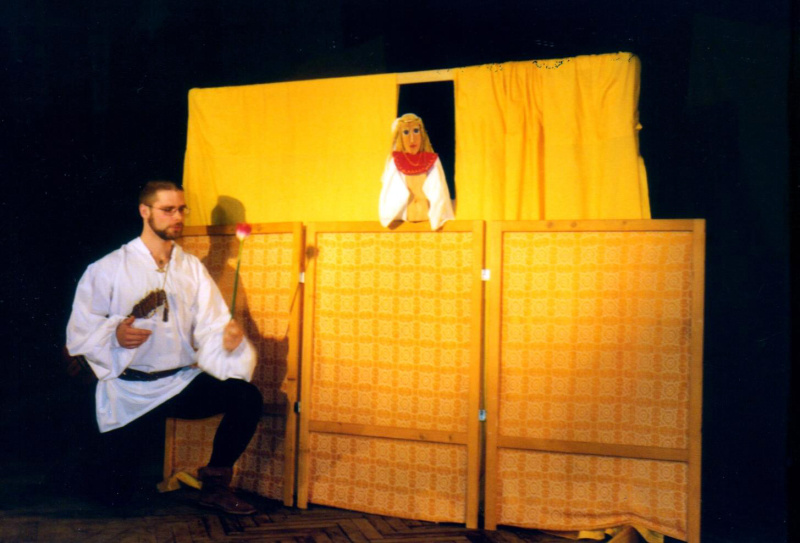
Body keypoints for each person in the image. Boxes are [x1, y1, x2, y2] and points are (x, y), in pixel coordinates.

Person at [66, 180, 262, 514]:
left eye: (182, 209)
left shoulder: (191, 268)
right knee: (112, 500)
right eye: (168, 210)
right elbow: (80, 329)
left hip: (178, 383)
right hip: (129, 391)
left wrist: (226, 339)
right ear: (145, 211)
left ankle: (215, 485)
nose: (178, 217)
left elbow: (212, 322)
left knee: (246, 396)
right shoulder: (109, 267)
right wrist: (114, 335)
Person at [379, 113, 455, 230]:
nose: (412, 139)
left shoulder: (432, 161)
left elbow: (438, 192)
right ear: (399, 136)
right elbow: (390, 191)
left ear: (422, 133)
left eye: (416, 131)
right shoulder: (395, 162)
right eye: (406, 132)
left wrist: (436, 218)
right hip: (404, 222)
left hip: (426, 219)